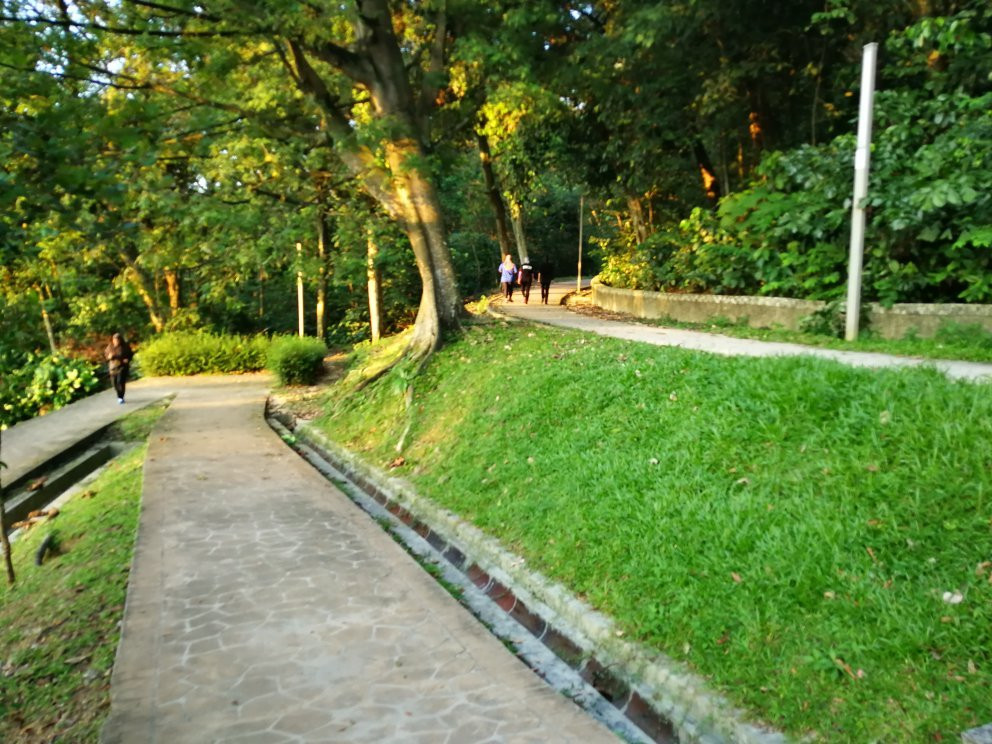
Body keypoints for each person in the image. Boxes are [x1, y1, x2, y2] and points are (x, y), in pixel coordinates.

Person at [105, 332, 133, 404]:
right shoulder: (110, 347)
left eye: (117, 340)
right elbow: (106, 356)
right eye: (114, 340)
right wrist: (109, 357)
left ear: (120, 340)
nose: (116, 342)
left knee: (120, 382)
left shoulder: (125, 347)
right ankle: (119, 394)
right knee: (114, 383)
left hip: (122, 367)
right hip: (113, 367)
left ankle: (120, 397)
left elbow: (130, 354)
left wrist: (127, 359)